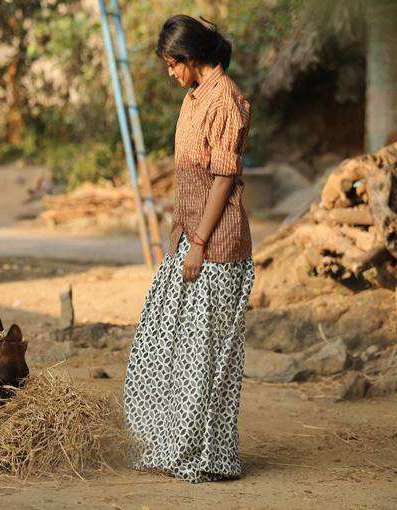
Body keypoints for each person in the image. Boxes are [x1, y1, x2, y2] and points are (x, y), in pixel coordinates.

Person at [123, 14, 255, 483]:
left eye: (170, 63)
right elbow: (189, 177)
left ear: (191, 57)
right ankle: (170, 444)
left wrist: (198, 243)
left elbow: (222, 180)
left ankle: (206, 456)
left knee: (205, 358)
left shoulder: (229, 102)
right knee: (167, 349)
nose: (169, 72)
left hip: (217, 246)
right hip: (188, 239)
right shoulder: (193, 98)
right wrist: (179, 235)